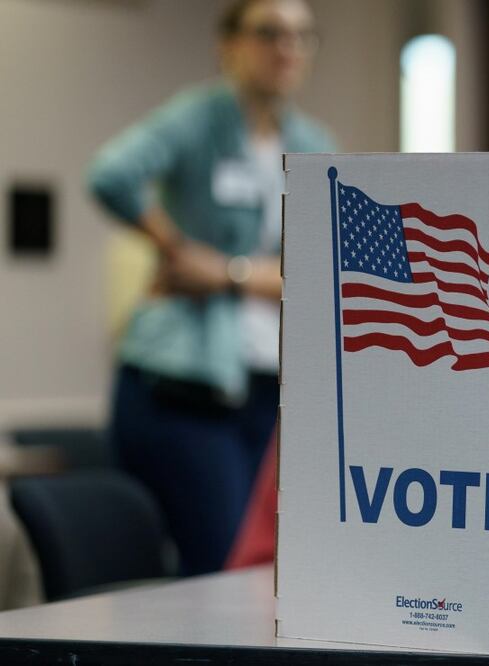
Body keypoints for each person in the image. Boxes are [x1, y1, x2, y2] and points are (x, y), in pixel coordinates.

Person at [87, 0, 335, 575]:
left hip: (266, 389)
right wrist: (173, 248)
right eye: (269, 33)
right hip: (181, 385)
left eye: (301, 36)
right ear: (228, 44)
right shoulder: (199, 118)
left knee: (270, 564)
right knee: (226, 564)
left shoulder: (313, 140)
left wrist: (224, 274)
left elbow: (318, 268)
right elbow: (111, 174)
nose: (286, 49)